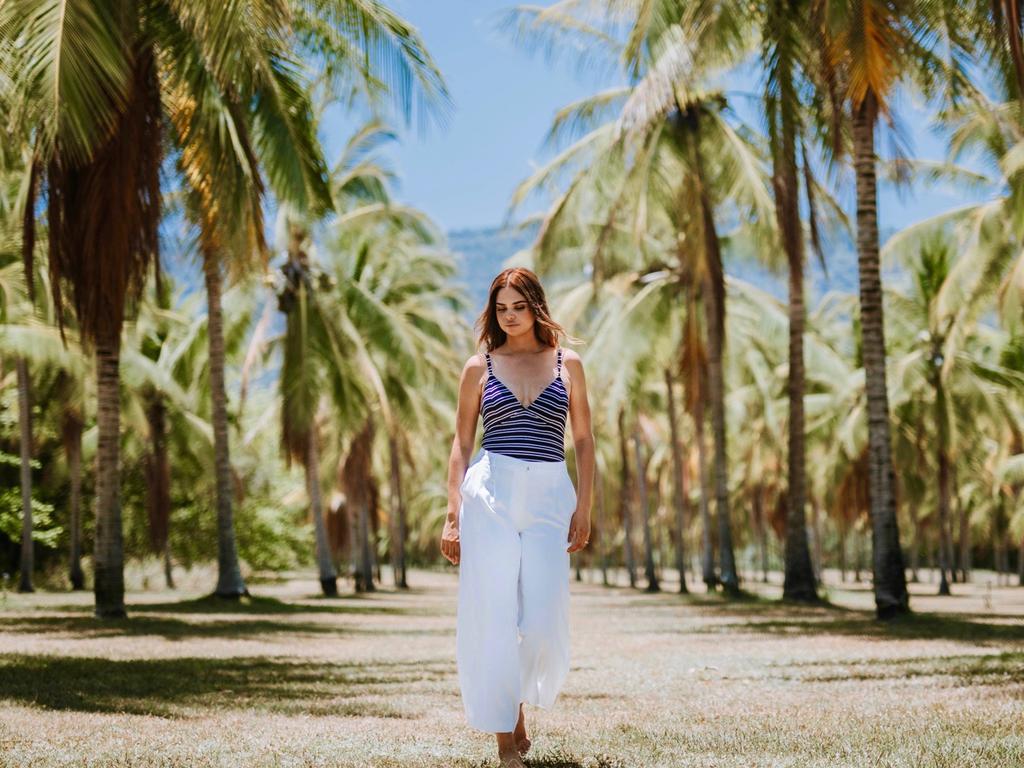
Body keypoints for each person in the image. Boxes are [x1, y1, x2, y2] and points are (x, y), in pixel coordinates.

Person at [440, 267, 595, 768]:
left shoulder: (567, 364)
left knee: (545, 619)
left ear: (537, 307)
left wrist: (585, 505)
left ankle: (519, 700)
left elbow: (586, 440)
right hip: (492, 493)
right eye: (501, 309)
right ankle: (506, 737)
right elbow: (463, 441)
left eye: (519, 307)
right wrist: (452, 513)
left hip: (551, 493)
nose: (509, 317)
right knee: (495, 615)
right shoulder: (479, 366)